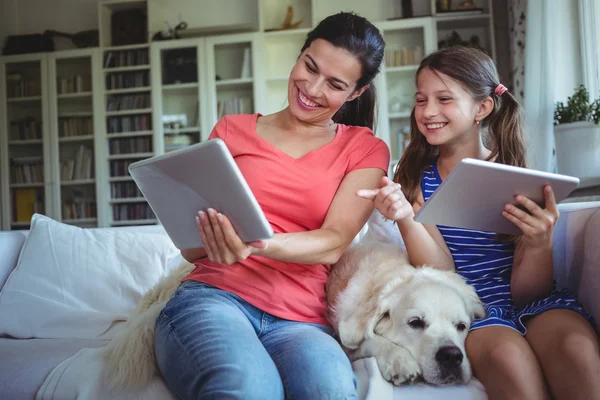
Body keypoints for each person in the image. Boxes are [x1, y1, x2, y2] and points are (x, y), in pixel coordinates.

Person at [154, 12, 390, 400]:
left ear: (355, 93)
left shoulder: (364, 148)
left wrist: (257, 242)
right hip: (214, 299)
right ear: (299, 56)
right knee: (248, 389)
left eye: (334, 84)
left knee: (330, 391)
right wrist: (209, 233)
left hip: (301, 323)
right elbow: (192, 249)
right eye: (309, 67)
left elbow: (333, 241)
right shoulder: (233, 130)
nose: (311, 88)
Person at [357, 45, 600, 399]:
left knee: (576, 350)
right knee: (508, 358)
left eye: (444, 99)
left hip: (536, 303)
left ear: (482, 108)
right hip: (471, 310)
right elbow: (441, 269)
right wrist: (407, 219)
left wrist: (539, 242)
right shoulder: (414, 180)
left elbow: (530, 292)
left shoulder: (515, 175)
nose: (428, 111)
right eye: (421, 100)